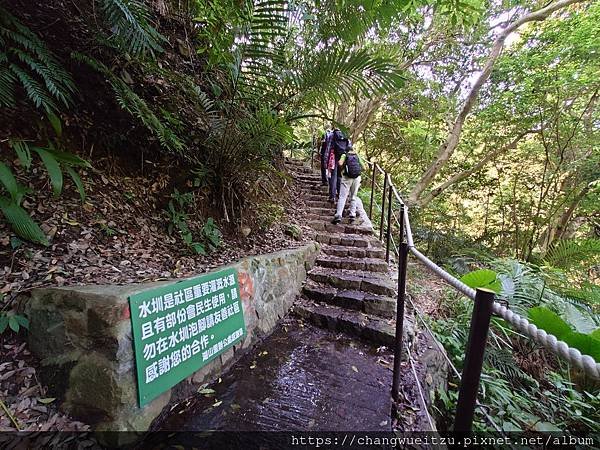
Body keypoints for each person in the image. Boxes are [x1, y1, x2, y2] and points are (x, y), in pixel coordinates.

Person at [332, 142, 363, 224]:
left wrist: (343, 169)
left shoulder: (344, 155)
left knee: (342, 196)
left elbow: (340, 163)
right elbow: (364, 166)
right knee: (354, 196)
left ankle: (338, 215)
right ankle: (352, 215)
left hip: (346, 178)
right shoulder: (357, 155)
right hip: (356, 178)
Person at [328, 128, 349, 203]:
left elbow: (329, 147)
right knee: (340, 176)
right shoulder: (344, 134)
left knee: (333, 176)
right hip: (342, 157)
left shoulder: (332, 134)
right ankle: (340, 194)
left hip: (334, 156)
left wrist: (326, 160)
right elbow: (349, 146)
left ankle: (332, 196)